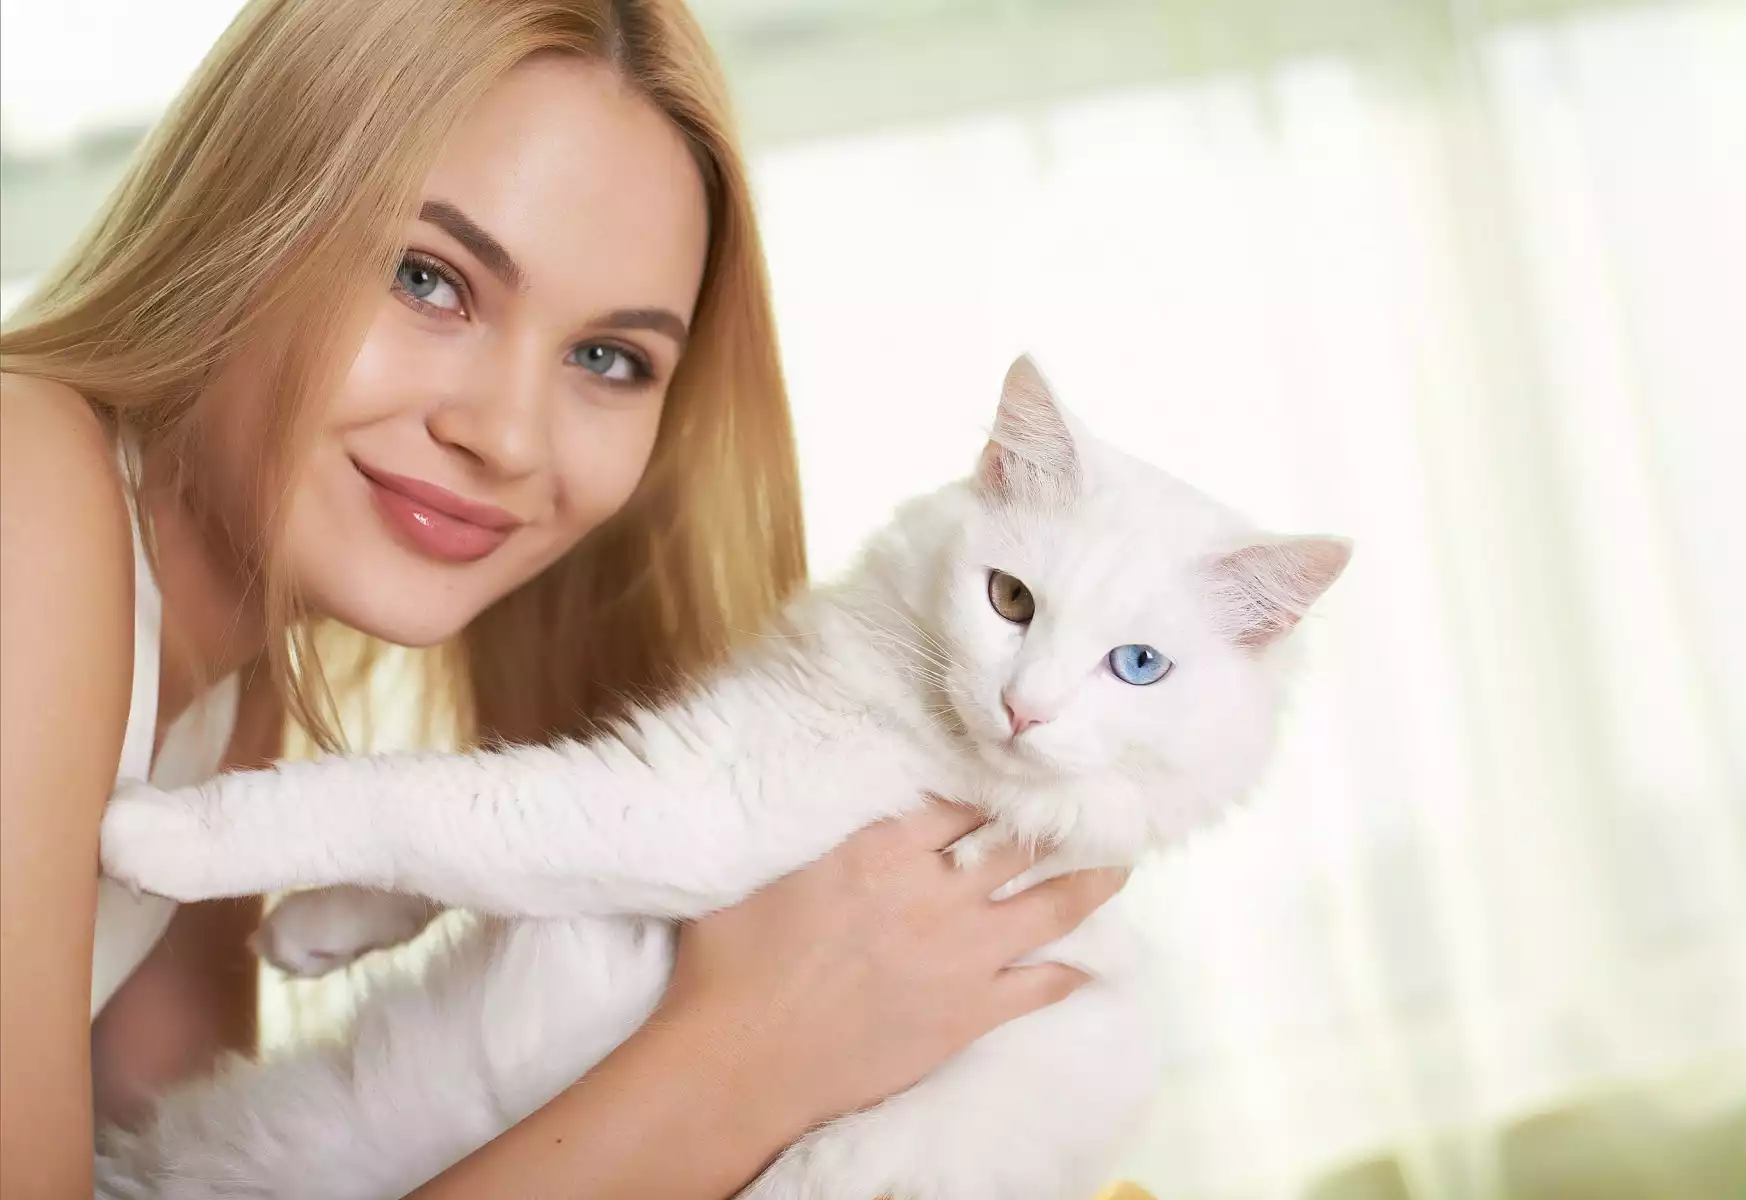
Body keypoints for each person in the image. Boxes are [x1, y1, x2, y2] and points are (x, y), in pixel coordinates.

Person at [0, 1, 1127, 1194]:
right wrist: (754, 1052)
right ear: (243, 210)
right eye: (427, 278)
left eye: (607, 360)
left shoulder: (236, 681)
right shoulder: (25, 492)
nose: (506, 436)